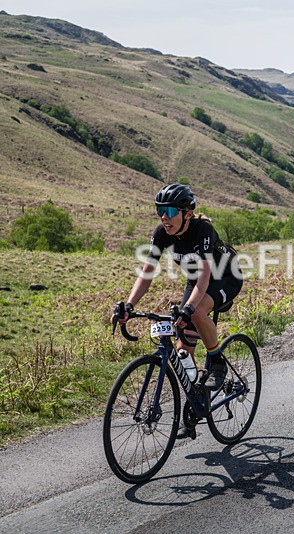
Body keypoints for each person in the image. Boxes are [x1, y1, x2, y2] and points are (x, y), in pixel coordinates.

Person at [113, 184, 242, 439]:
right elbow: (147, 274)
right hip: (196, 282)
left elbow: (206, 277)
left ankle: (216, 360)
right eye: (160, 210)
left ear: (187, 213)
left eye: (170, 211)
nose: (164, 217)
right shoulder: (162, 233)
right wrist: (129, 306)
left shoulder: (203, 230)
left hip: (225, 277)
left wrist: (189, 309)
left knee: (194, 313)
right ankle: (197, 402)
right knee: (183, 352)